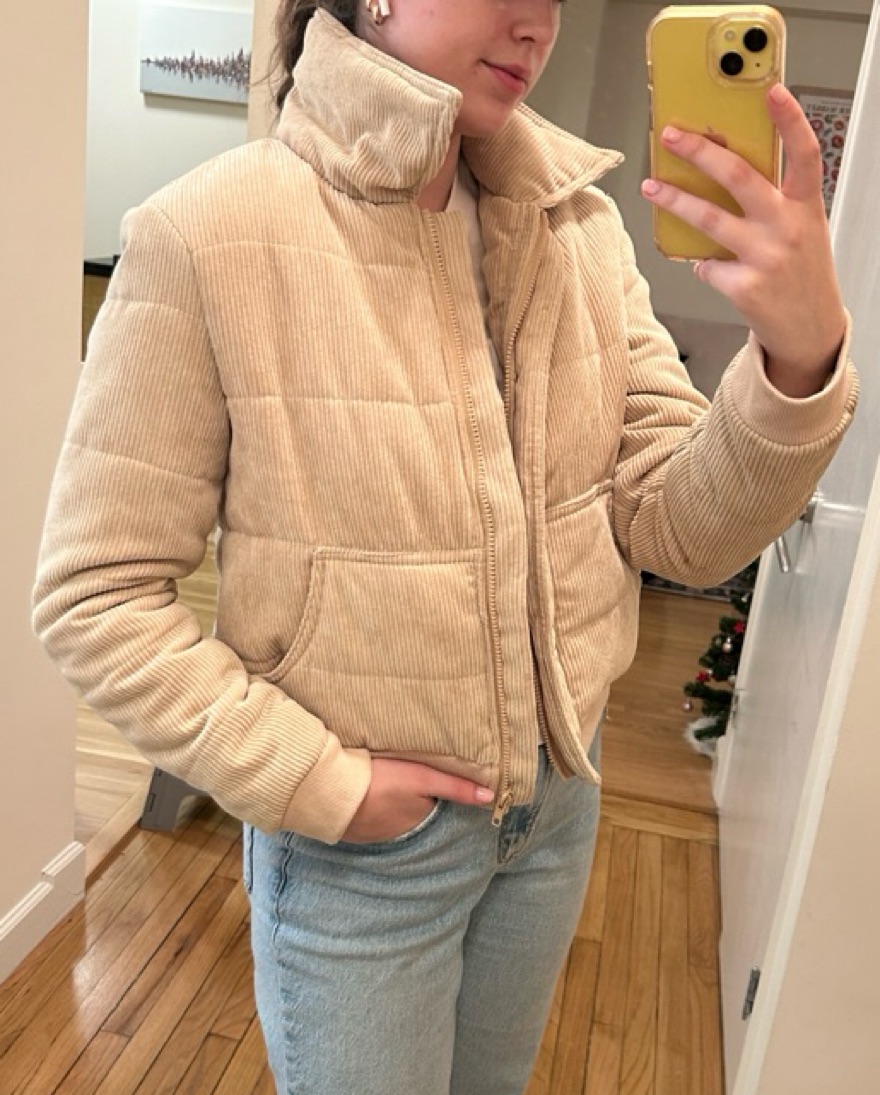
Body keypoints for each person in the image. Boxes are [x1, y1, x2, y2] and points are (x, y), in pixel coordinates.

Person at [34, 1, 857, 1092]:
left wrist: (796, 363)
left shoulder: (577, 227)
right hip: (359, 857)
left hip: (554, 810)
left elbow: (678, 532)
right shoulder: (205, 234)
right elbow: (96, 596)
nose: (535, 24)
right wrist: (319, 782)